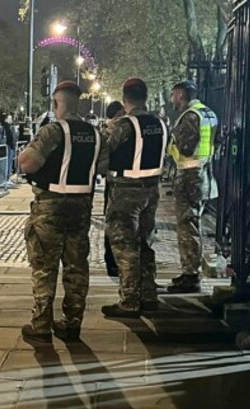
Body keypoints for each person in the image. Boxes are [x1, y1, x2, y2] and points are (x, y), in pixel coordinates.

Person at [19, 81, 106, 342]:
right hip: (81, 206)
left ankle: (41, 323)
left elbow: (28, 163)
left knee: (44, 265)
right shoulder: (95, 134)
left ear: (57, 103)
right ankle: (72, 322)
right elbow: (102, 167)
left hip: (50, 204)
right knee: (76, 265)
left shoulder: (52, 132)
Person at [100, 78, 168, 319]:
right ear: (146, 96)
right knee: (145, 242)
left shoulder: (124, 125)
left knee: (124, 245)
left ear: (125, 97)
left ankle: (129, 300)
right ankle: (149, 294)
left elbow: (103, 152)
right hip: (152, 188)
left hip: (126, 189)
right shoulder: (160, 123)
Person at [166, 80, 219, 293]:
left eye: (173, 95)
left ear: (180, 95)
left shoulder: (190, 116)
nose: (171, 100)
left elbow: (186, 148)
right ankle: (190, 272)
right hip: (204, 174)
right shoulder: (208, 113)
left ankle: (190, 274)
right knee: (193, 224)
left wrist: (174, 135)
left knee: (188, 227)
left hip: (190, 177)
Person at [101, 100, 126, 278]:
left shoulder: (114, 127)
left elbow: (104, 151)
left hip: (115, 181)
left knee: (113, 223)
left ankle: (113, 264)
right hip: (142, 183)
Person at [3, 114, 17, 188]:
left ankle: (8, 179)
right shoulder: (7, 127)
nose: (11, 120)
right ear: (6, 119)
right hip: (9, 147)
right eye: (10, 118)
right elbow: (10, 137)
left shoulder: (8, 126)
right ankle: (7, 179)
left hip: (10, 147)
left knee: (9, 163)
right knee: (8, 163)